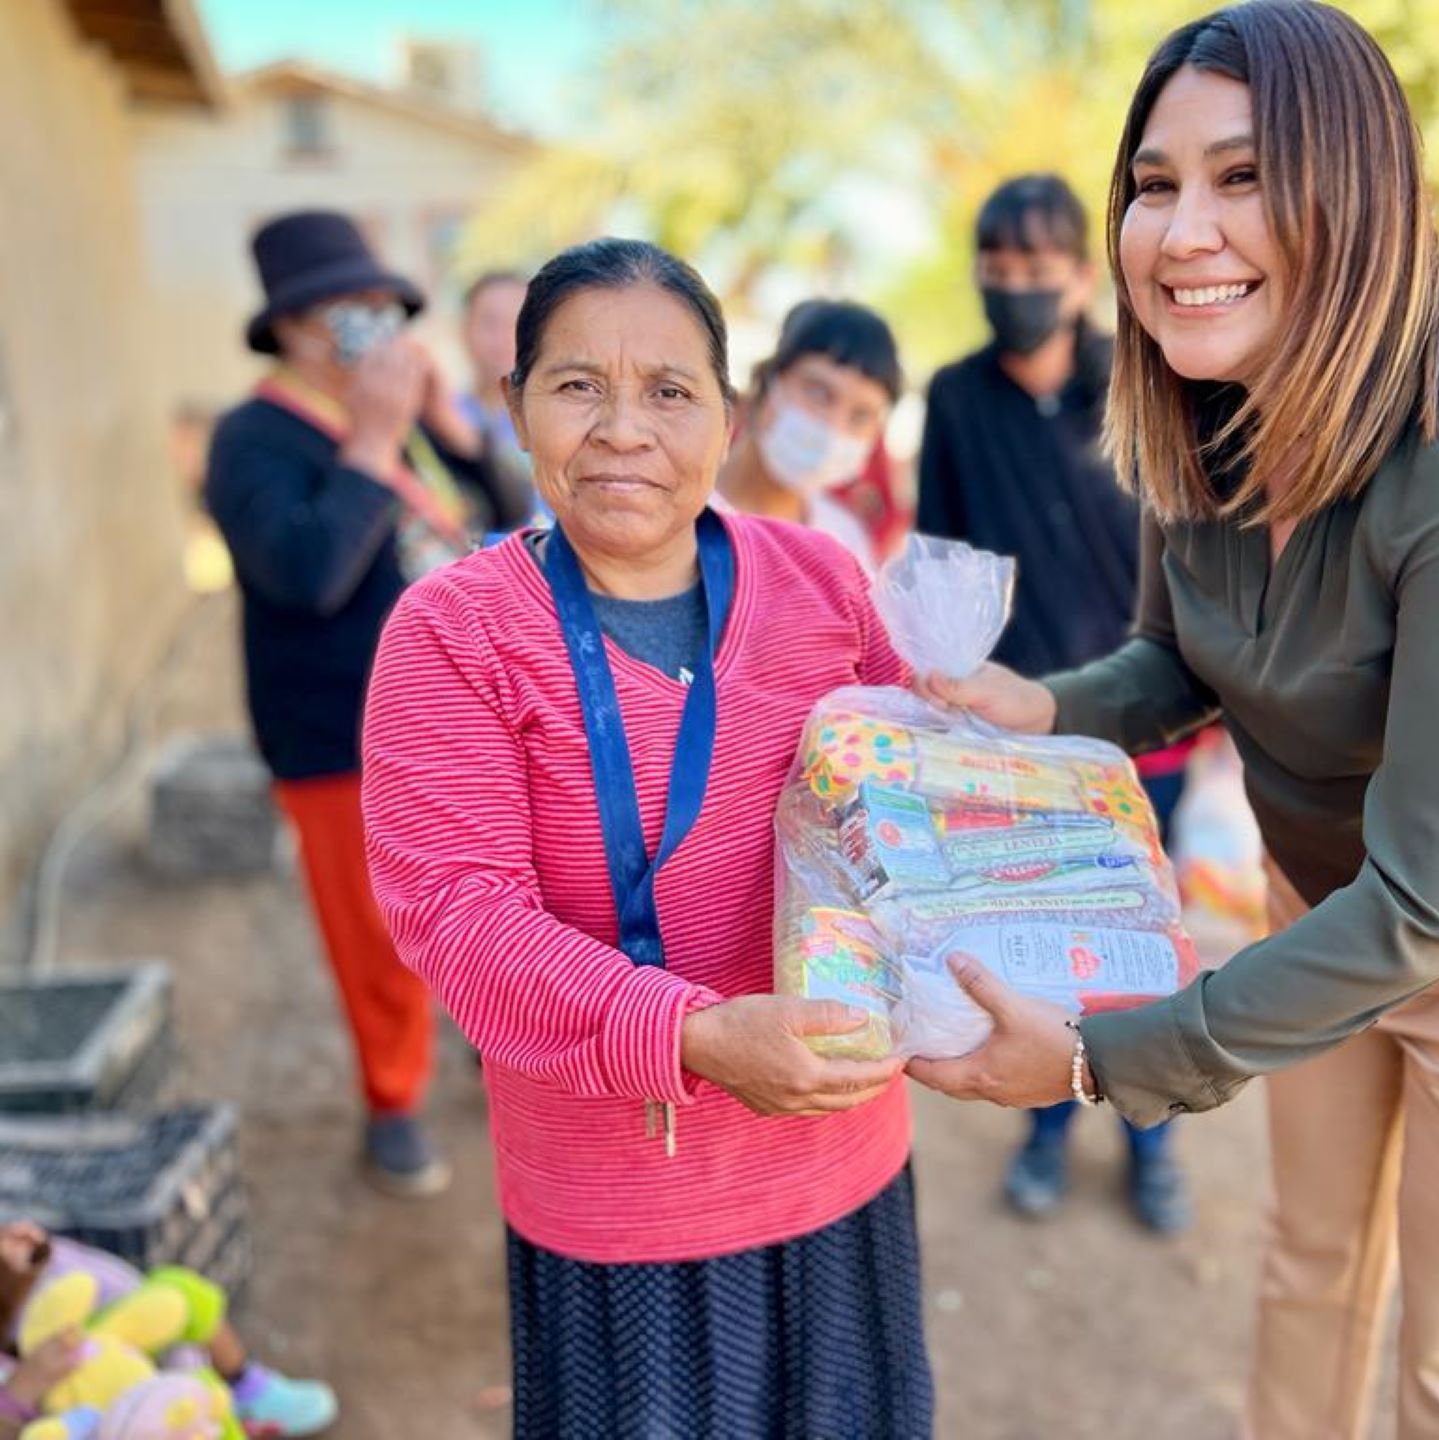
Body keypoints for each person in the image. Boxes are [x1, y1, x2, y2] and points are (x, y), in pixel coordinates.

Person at [911, 6, 1439, 1438]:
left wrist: (1101, 1055)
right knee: (1309, 1270)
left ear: (1359, 188)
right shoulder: (1205, 397)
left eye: (1244, 176)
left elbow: (1430, 903)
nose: (1183, 231)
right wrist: (1033, 705)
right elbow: (1180, 657)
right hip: (1329, 888)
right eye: (1156, 184)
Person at [360, 238, 933, 1438]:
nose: (626, 428)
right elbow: (459, 915)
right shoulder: (451, 634)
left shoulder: (824, 583)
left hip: (841, 1158)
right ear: (513, 409)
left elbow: (904, 802)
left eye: (671, 391)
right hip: (623, 1210)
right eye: (579, 385)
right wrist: (695, 1034)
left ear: (728, 420)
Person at [204, 210, 532, 1198]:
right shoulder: (251, 437)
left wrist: (440, 429)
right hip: (334, 734)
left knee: (494, 898)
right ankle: (393, 1098)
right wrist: (376, 440)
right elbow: (304, 574)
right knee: (375, 931)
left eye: (382, 306)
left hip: (461, 717)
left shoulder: (408, 417)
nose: (371, 326)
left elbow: (510, 513)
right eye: (348, 310)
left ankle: (490, 1036)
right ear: (295, 327)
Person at [916, 172, 1196, 1232]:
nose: (1018, 288)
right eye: (998, 269)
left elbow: (1190, 556)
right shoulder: (953, 398)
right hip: (1007, 732)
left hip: (1139, 729)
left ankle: (1152, 1141)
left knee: (1139, 946)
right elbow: (938, 556)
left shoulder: (1144, 382)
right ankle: (1040, 1130)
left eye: (1039, 269)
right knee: (1031, 940)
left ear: (1083, 275)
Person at [0, 1220, 337, 1436]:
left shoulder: (39, 1262)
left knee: (178, 1292)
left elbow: (132, 1293)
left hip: (129, 1366)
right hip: (83, 1422)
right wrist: (21, 1389)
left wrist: (187, 1389)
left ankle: (244, 1387)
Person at [716, 299, 900, 572]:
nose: (834, 427)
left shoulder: (843, 546)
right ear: (768, 382)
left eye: (860, 416)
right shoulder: (681, 508)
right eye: (819, 394)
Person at [457, 270, 549, 523]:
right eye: (489, 323)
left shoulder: (559, 422)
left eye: (517, 324)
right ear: (463, 330)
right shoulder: (441, 417)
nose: (503, 338)